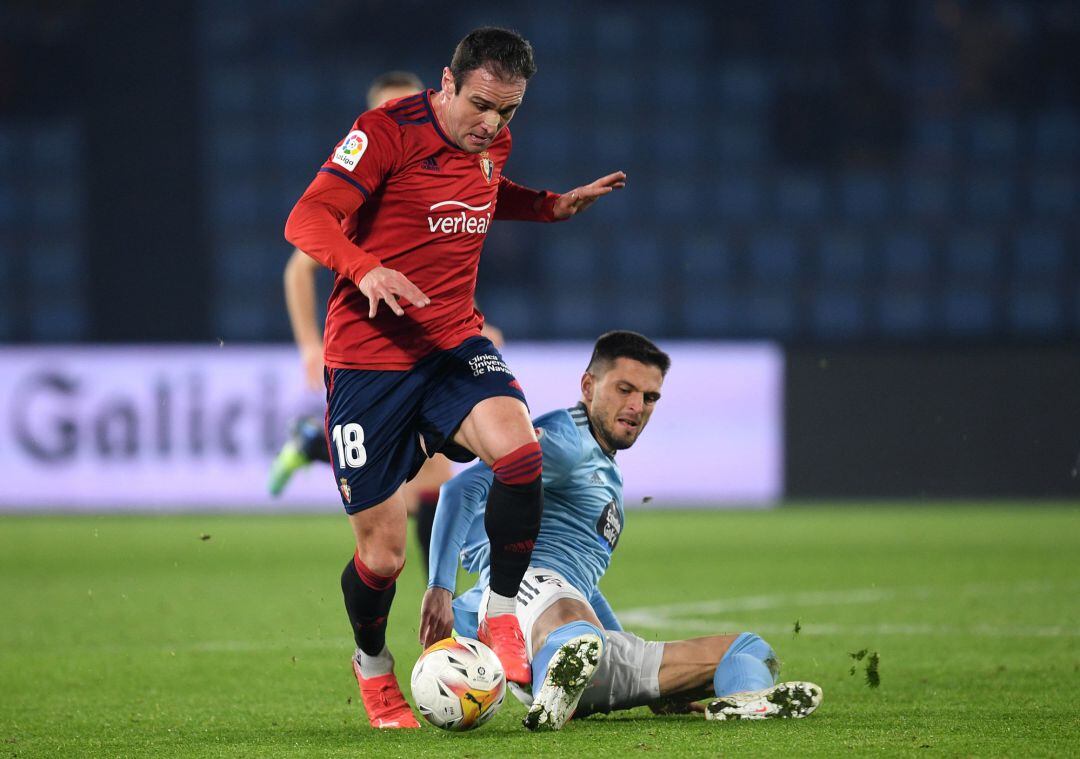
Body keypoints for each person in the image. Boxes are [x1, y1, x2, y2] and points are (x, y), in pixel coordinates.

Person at [283, 27, 626, 729]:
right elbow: (306, 217)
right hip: (368, 360)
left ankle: (501, 613)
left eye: (508, 111)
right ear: (445, 82)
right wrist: (364, 267)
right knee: (381, 556)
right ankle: (373, 664)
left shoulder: (491, 141)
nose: (492, 124)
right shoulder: (384, 131)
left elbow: (485, 192)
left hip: (450, 341)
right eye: (480, 105)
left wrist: (549, 206)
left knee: (521, 453)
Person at [421, 331, 823, 731]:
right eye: (625, 389)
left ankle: (742, 701)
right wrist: (440, 586)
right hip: (522, 599)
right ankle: (555, 680)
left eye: (650, 398)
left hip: (571, 620)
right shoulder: (565, 438)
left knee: (750, 649)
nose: (637, 406)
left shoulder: (605, 469)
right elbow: (460, 489)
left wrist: (628, 658)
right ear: (588, 385)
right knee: (568, 617)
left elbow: (584, 586)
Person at [267, 70, 502, 573]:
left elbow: (443, 269)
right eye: (389, 111)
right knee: (416, 477)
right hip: (373, 351)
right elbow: (299, 262)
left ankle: (313, 444)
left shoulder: (438, 174)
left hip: (430, 346)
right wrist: (309, 345)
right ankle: (439, 598)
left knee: (430, 475)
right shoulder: (364, 186)